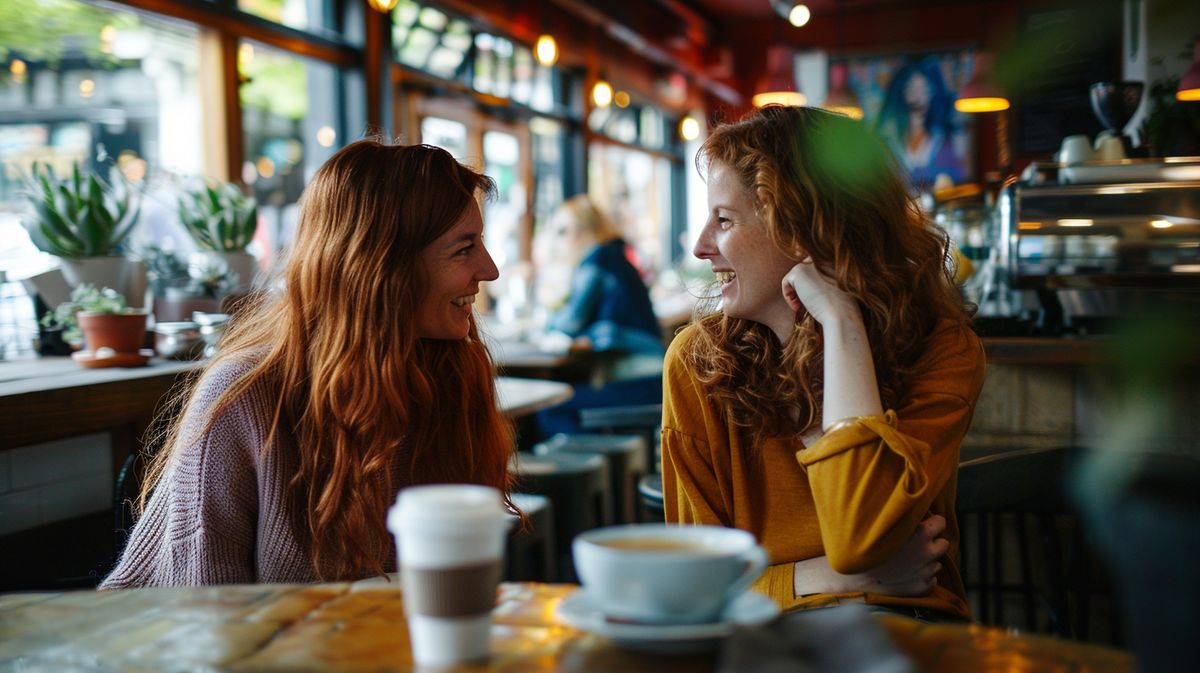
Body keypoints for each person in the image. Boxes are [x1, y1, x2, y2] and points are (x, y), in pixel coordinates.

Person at [102, 140, 517, 588]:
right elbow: (204, 625)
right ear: (379, 267)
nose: (490, 269)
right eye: (464, 248)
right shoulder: (244, 398)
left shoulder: (447, 374)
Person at [662, 105, 986, 620]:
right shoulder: (695, 364)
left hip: (906, 635)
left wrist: (839, 322)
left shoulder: (942, 349)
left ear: (807, 230)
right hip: (760, 642)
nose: (702, 246)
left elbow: (859, 533)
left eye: (724, 220)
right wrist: (839, 579)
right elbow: (695, 590)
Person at [534, 195, 665, 436]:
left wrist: (546, 320)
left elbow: (570, 322)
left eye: (563, 231)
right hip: (656, 377)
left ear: (584, 232)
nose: (557, 242)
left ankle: (585, 472)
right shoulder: (614, 256)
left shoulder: (598, 258)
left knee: (550, 408)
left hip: (642, 382)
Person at [874, 57, 966, 189]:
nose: (919, 96)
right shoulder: (889, 141)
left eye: (924, 89)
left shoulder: (943, 140)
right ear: (901, 94)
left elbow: (958, 178)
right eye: (912, 89)